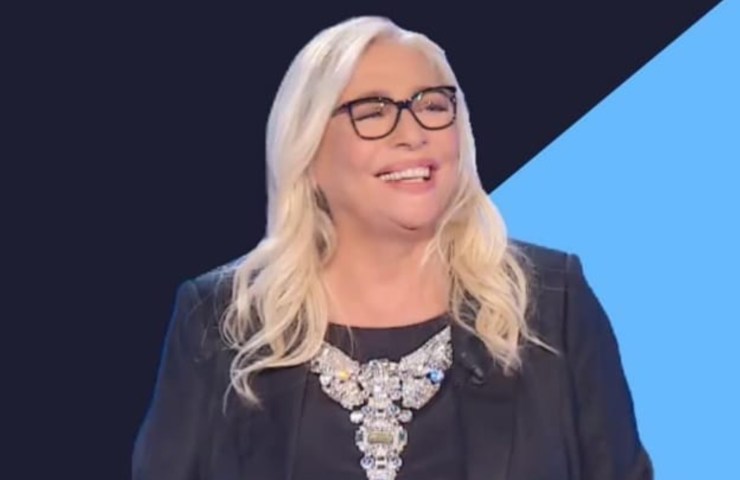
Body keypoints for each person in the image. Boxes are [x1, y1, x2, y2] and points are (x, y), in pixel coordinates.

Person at [132, 15, 653, 480]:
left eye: (433, 106)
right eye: (374, 111)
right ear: (307, 149)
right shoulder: (222, 320)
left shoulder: (552, 303)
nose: (412, 134)